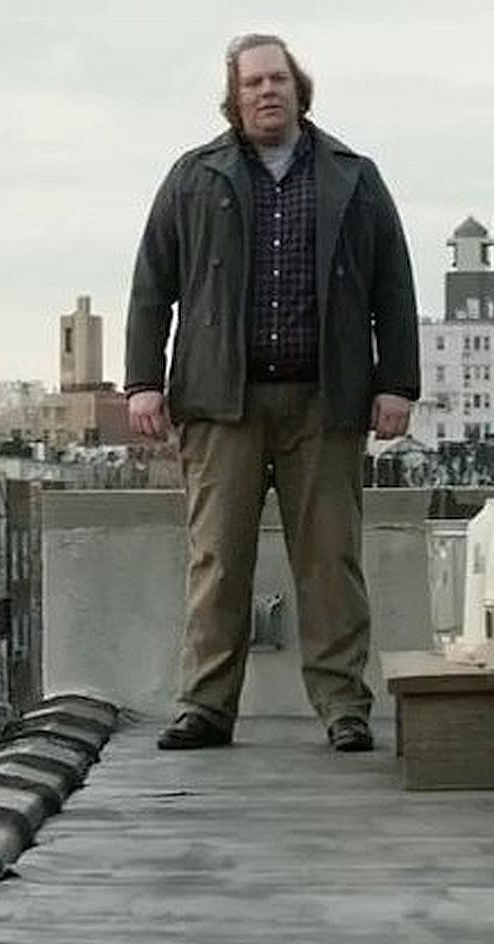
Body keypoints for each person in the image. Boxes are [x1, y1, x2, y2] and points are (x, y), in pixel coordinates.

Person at [125, 33, 419, 753]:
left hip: (325, 400)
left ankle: (343, 706)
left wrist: (396, 384)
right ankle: (205, 706)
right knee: (218, 559)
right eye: (252, 82)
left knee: (330, 560)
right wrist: (142, 383)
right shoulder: (193, 176)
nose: (266, 92)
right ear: (234, 97)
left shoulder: (355, 176)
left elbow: (393, 286)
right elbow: (152, 284)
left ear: (298, 88)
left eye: (277, 80)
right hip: (219, 401)